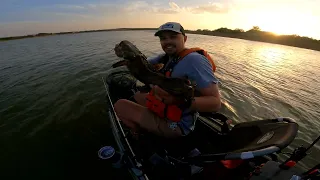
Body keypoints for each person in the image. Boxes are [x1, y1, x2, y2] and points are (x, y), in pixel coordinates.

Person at [114, 22, 221, 138]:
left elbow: (215, 103)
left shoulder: (195, 61)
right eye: (163, 38)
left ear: (185, 39)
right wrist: (123, 53)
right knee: (138, 96)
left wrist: (179, 100)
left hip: (178, 123)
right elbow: (141, 61)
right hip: (165, 109)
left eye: (173, 37)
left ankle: (138, 134)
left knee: (120, 105)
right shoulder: (166, 57)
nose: (167, 41)